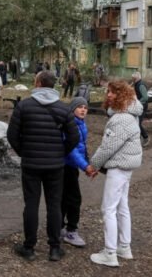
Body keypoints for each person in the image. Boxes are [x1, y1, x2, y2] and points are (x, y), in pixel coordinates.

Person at [7, 71, 79, 262]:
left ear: (38, 83)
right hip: (55, 165)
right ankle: (54, 248)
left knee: (31, 204)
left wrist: (24, 151)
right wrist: (60, 152)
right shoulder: (63, 109)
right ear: (53, 86)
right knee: (54, 205)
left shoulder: (23, 106)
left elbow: (12, 135)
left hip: (31, 163)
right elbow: (74, 137)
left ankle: (29, 247)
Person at [88, 80, 143, 268]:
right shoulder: (129, 114)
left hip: (119, 167)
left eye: (112, 92)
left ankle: (110, 253)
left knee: (108, 208)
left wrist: (93, 165)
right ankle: (124, 247)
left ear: (122, 95)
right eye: (108, 92)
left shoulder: (121, 119)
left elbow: (108, 147)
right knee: (121, 206)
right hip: (126, 166)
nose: (108, 95)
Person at [61, 97, 95, 248]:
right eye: (80, 107)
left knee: (66, 197)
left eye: (85, 107)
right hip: (65, 165)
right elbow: (72, 150)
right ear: (72, 109)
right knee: (74, 198)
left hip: (72, 166)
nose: (83, 110)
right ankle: (70, 231)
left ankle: (60, 227)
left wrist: (87, 163)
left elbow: (82, 146)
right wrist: (85, 166)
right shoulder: (70, 124)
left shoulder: (81, 124)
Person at [131, 71, 149, 147]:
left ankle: (146, 138)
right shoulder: (136, 84)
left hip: (142, 106)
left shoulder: (141, 85)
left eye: (133, 78)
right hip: (139, 106)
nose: (132, 79)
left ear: (136, 78)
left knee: (138, 123)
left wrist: (137, 102)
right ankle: (138, 139)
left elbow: (145, 97)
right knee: (136, 123)